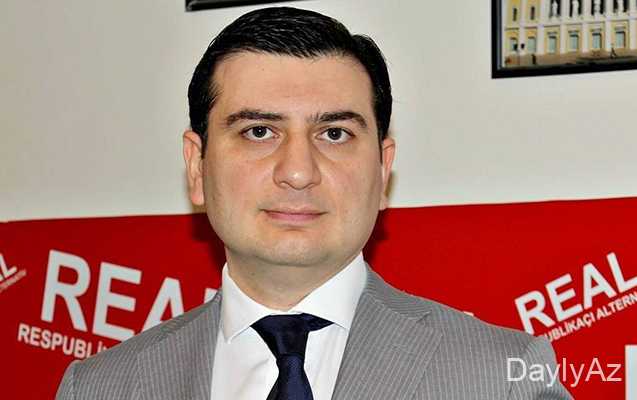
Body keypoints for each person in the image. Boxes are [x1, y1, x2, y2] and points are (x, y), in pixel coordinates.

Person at [56, 7, 572, 400]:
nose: (298, 171)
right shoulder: (99, 388)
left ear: (382, 169)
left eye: (334, 133)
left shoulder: (502, 378)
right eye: (259, 131)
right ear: (197, 167)